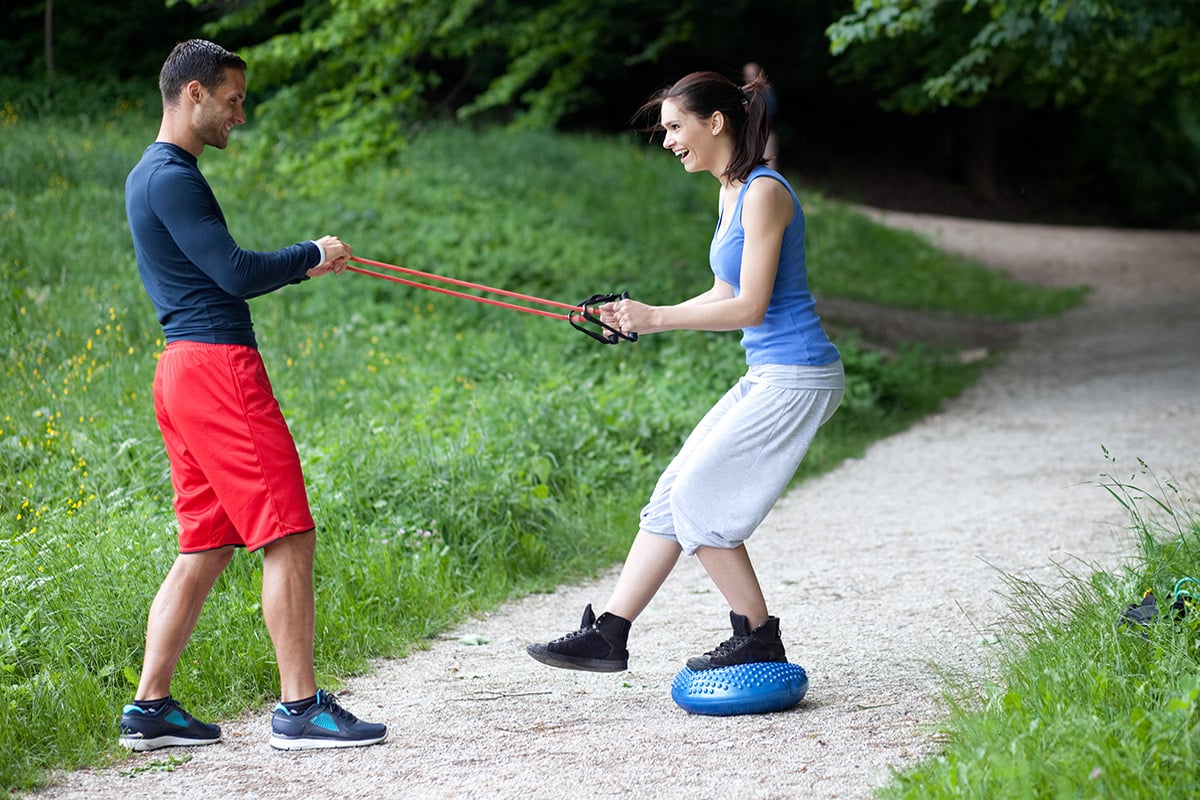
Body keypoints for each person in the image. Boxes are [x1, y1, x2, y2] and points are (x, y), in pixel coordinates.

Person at [527, 70, 844, 675]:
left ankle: (757, 635)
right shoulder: (731, 190)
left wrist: (659, 317)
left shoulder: (764, 192)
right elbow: (725, 288)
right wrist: (641, 318)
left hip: (798, 374)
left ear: (715, 122)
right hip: (771, 371)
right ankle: (609, 634)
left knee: (702, 501)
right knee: (673, 495)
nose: (668, 140)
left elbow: (750, 306)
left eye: (676, 127)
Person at [120, 39, 387, 752]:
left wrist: (306, 263)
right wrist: (312, 254)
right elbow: (234, 273)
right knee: (288, 532)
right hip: (216, 370)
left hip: (182, 369)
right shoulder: (171, 176)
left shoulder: (153, 174)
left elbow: (217, 269)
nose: (241, 114)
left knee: (205, 544)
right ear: (195, 93)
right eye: (233, 100)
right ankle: (301, 710)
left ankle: (150, 709)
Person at [743, 62, 779, 169]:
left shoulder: (767, 91)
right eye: (747, 75)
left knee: (769, 166)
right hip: (751, 136)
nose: (749, 78)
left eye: (752, 74)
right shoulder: (745, 92)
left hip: (766, 135)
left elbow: (772, 112)